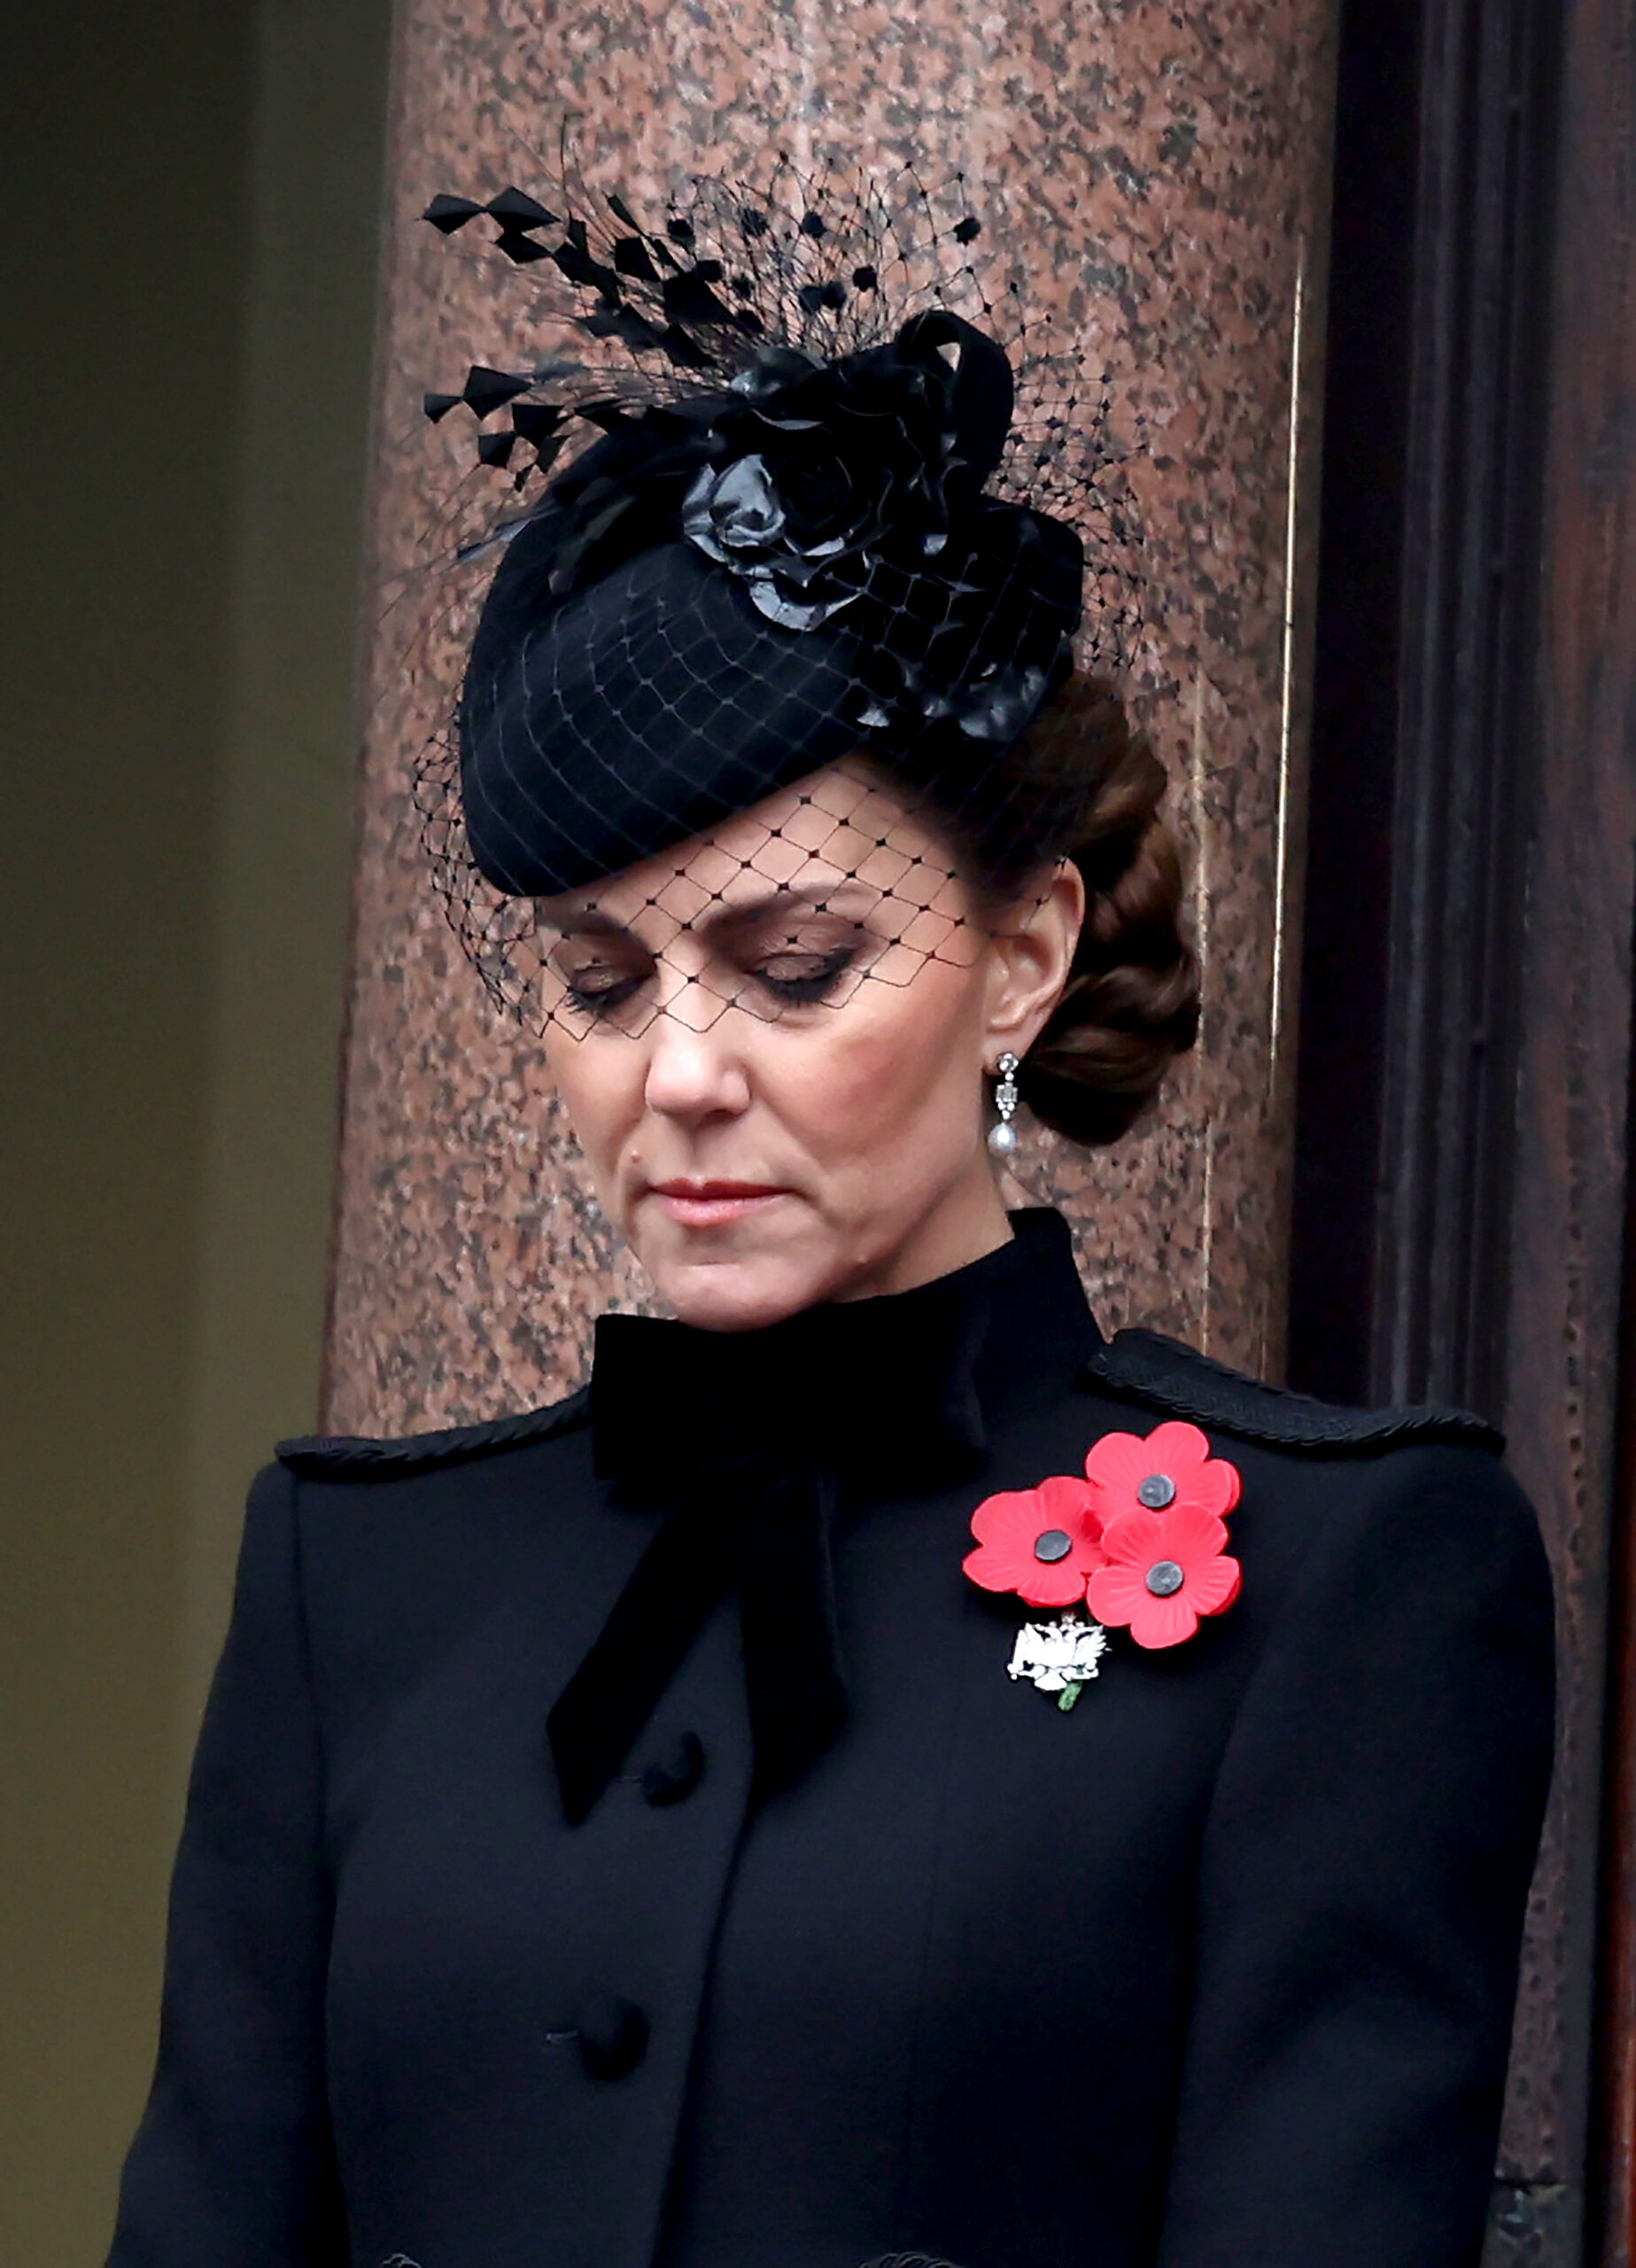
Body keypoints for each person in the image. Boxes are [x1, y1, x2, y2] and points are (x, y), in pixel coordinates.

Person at [108, 171, 1554, 2268]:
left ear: (1026, 953)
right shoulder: (361, 1584)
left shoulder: (1345, 1577)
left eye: (792, 967)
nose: (678, 1067)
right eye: (604, 983)